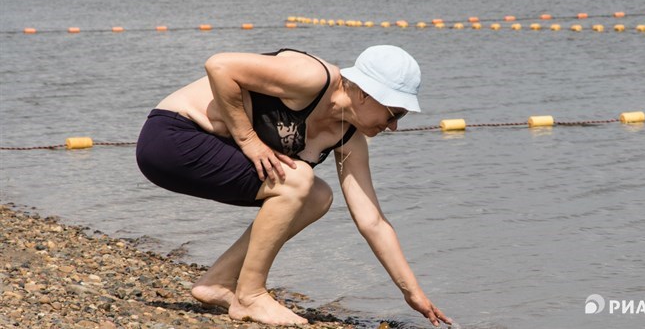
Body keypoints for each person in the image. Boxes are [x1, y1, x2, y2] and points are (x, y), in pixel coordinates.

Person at [136, 45, 452, 327]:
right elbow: (219, 66)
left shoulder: (349, 136)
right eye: (394, 113)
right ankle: (250, 295)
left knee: (318, 196)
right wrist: (249, 142)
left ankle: (219, 282)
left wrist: (413, 294)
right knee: (299, 178)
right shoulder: (312, 78)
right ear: (365, 93)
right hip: (171, 138)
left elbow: (372, 222)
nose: (394, 126)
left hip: (202, 153)